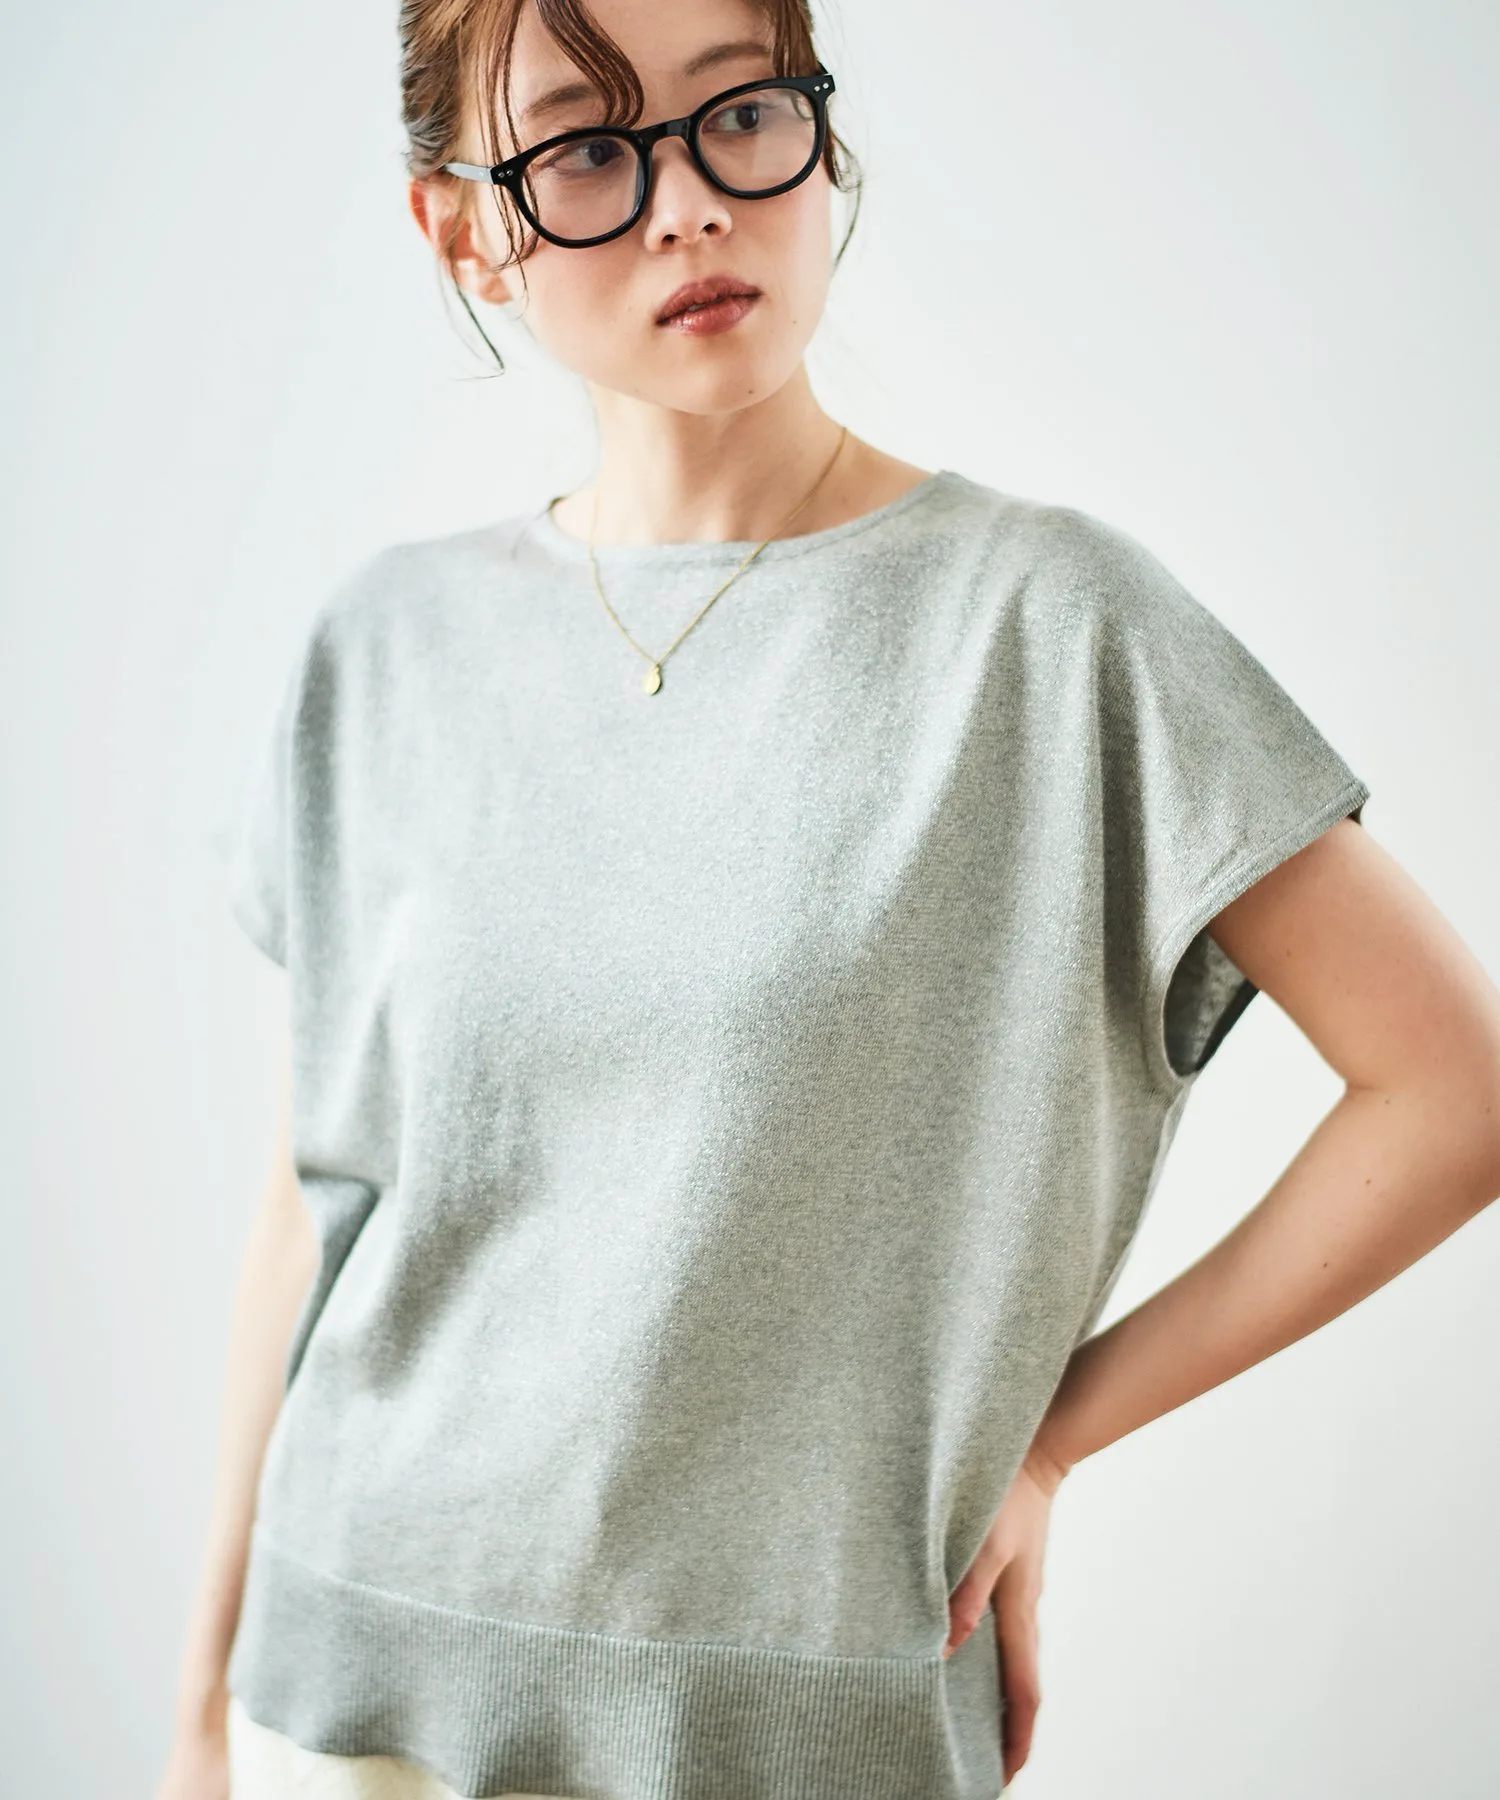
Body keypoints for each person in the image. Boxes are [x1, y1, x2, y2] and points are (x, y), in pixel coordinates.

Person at [156, 1, 1500, 1797]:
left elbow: (1453, 1087)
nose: (691, 205)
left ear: (819, 128)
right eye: (586, 151)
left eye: (740, 114)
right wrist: (198, 1705)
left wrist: (1055, 1439)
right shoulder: (384, 646)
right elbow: (312, 1201)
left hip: (800, 1722)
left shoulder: (1053, 629)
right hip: (347, 1696)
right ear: (464, 230)